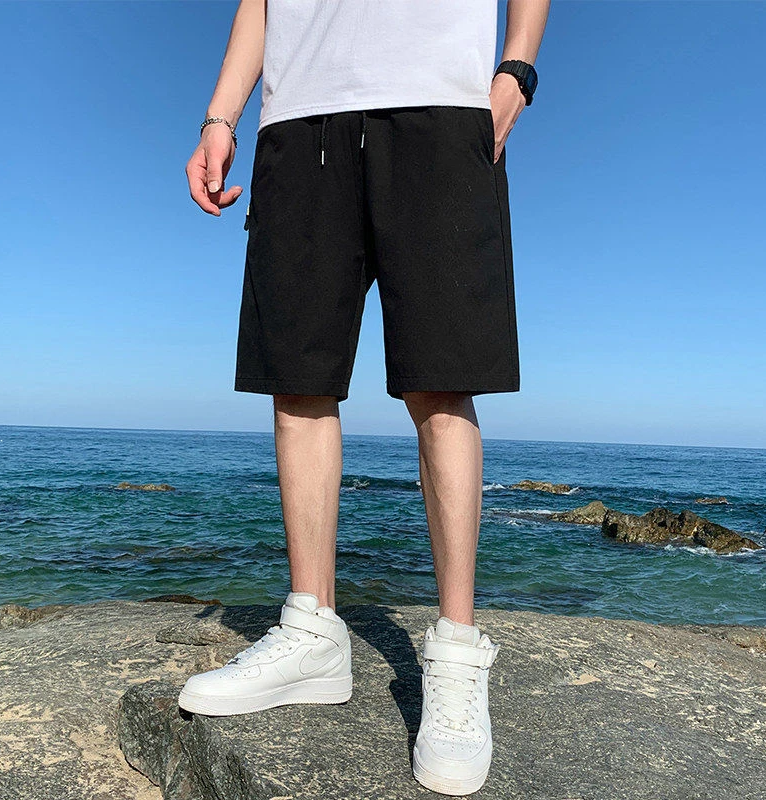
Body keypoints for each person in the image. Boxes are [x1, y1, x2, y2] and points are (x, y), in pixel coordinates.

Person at [179, 1, 550, 795]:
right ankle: (313, 630)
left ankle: (456, 652)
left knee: (441, 382)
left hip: (440, 106)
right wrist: (220, 117)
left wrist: (517, 70)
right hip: (299, 117)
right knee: (297, 382)